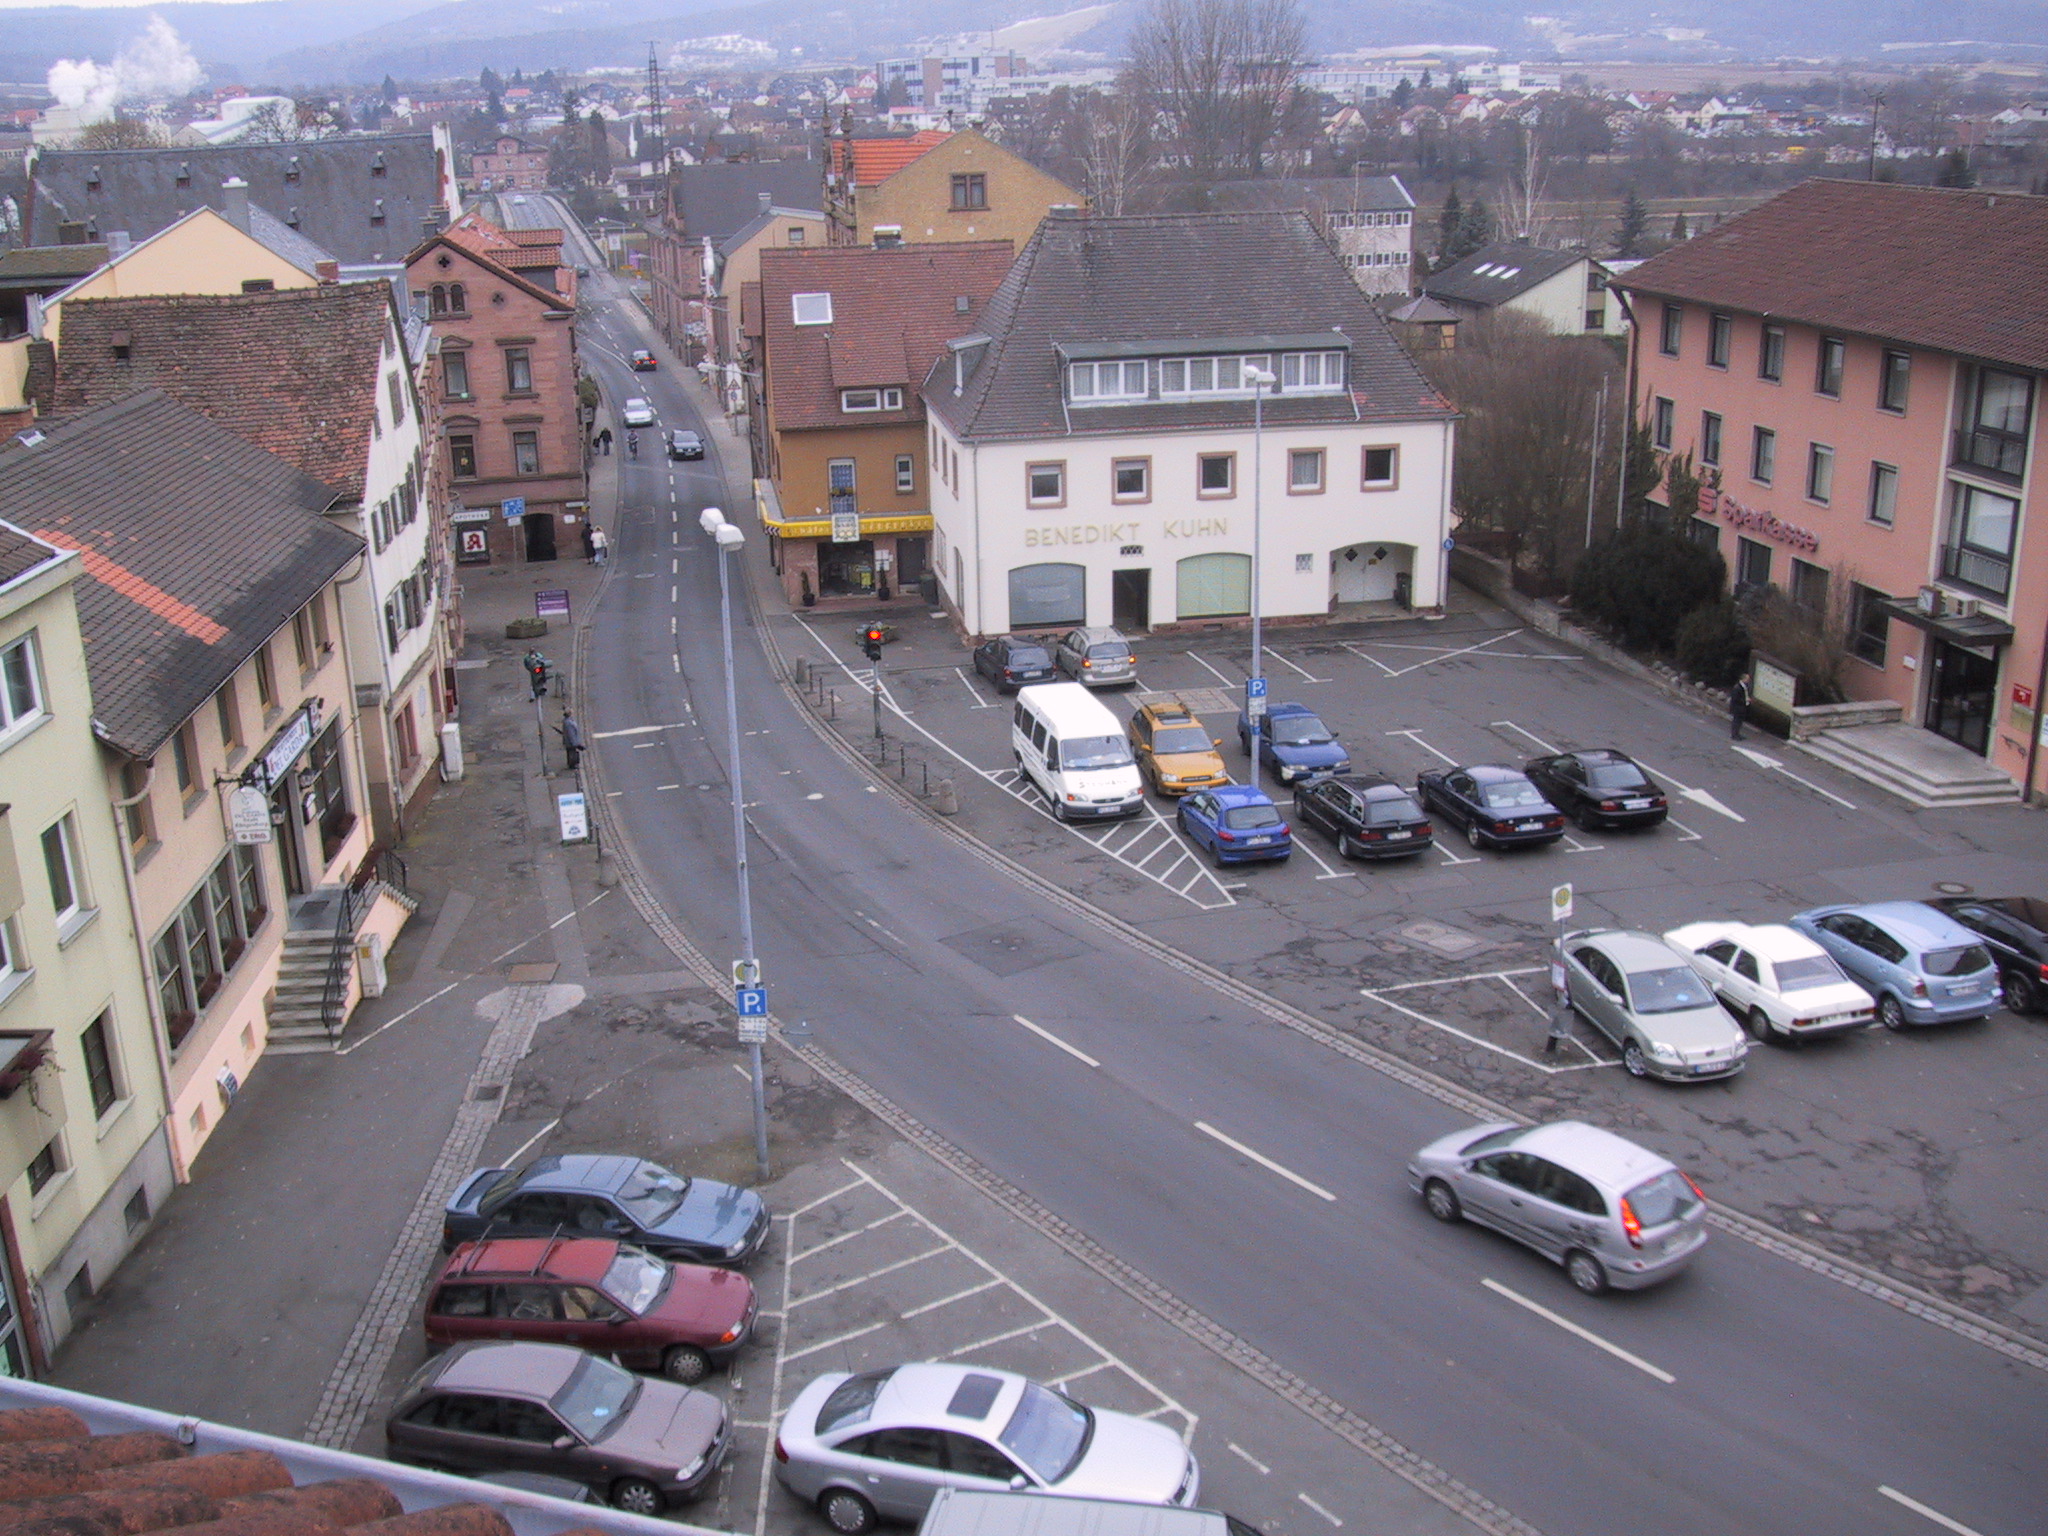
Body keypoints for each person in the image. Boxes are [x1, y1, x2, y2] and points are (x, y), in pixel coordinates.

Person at [1728, 675, 1750, 740]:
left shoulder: (1744, 687)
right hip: (1737, 707)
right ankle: (1734, 735)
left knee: (1739, 721)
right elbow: (1736, 698)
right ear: (1743, 679)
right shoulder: (1737, 687)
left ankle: (1737, 733)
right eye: (1747, 679)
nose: (1748, 680)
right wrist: (1745, 700)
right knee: (1736, 721)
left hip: (1742, 707)